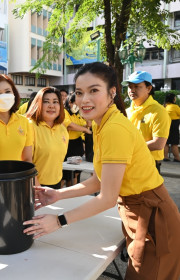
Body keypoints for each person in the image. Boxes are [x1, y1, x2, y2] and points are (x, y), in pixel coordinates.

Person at [23, 62, 180, 280]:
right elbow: (98, 181)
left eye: (94, 90)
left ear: (112, 93)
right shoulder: (101, 124)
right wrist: (59, 194)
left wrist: (58, 221)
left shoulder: (114, 128)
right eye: (79, 93)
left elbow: (106, 198)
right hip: (137, 211)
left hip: (152, 216)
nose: (84, 99)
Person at [124, 71, 170, 173]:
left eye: (137, 86)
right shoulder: (127, 111)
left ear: (149, 88)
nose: (132, 90)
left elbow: (158, 144)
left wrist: (128, 148)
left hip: (148, 165)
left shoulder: (158, 111)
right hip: (128, 163)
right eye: (130, 87)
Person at [0, 74, 33, 161]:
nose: (3, 96)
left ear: (14, 93)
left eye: (7, 92)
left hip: (17, 174)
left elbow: (27, 159)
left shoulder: (24, 122)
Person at [26, 87, 68, 189]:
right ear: (38, 104)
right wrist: (38, 188)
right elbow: (27, 162)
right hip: (34, 186)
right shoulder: (30, 126)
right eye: (46, 101)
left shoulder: (62, 129)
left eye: (55, 102)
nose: (51, 106)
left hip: (56, 184)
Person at [62, 92, 92, 186]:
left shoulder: (77, 114)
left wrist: (85, 115)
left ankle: (72, 195)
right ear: (70, 102)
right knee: (66, 175)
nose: (78, 106)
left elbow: (88, 125)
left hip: (77, 145)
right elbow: (69, 126)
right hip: (68, 146)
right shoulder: (64, 112)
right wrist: (85, 130)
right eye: (76, 104)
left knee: (76, 173)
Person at [163, 93, 180, 162]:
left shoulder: (164, 106)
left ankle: (165, 157)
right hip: (174, 126)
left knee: (166, 142)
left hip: (165, 125)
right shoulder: (175, 107)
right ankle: (177, 158)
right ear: (173, 99)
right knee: (174, 143)